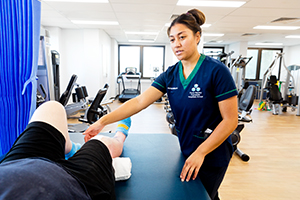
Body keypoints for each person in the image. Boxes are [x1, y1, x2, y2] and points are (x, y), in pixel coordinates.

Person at [84, 8, 238, 200]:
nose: (177, 44)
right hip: (187, 147)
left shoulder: (216, 71)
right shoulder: (171, 74)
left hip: (212, 153)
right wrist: (102, 122)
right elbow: (139, 101)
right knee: (200, 194)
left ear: (197, 37)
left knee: (202, 195)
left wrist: (201, 152)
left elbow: (230, 120)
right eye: (172, 39)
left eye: (182, 37)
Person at [0, 101, 131, 200]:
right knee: (100, 141)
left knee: (52, 107)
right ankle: (120, 134)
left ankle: (70, 149)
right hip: (71, 184)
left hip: (15, 166)